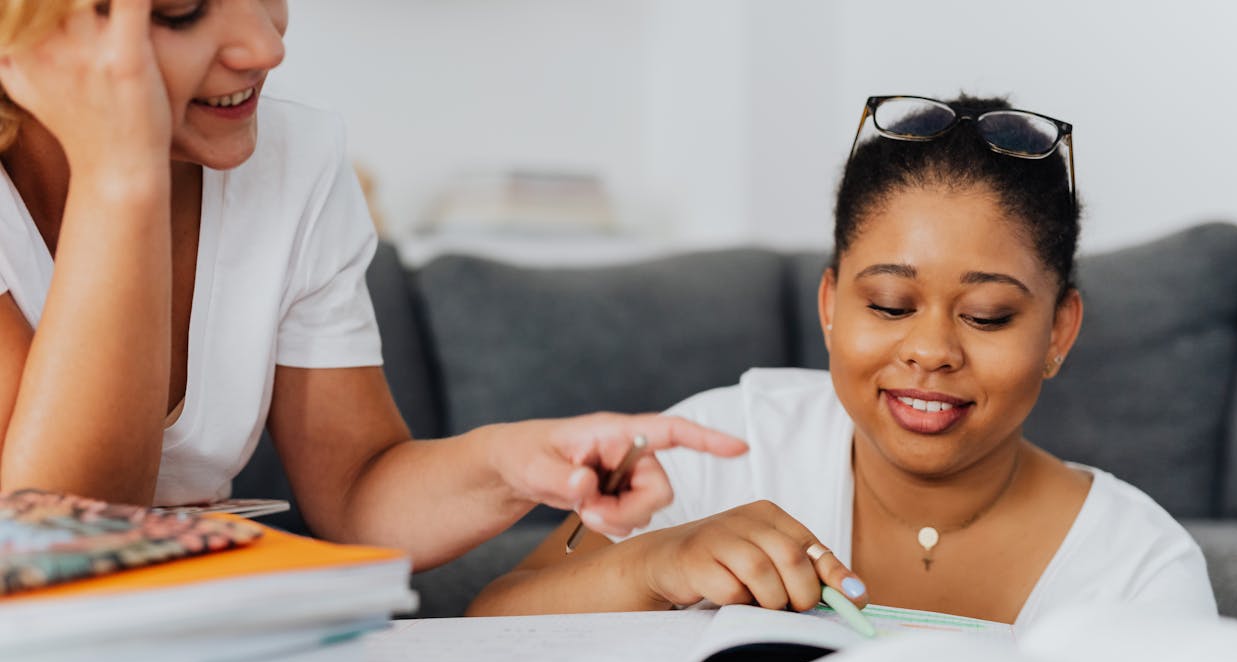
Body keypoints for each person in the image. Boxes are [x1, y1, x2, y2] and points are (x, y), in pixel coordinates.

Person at [0, 0, 747, 569]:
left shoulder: (295, 163)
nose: (267, 44)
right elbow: (47, 541)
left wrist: (517, 462)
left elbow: (358, 491)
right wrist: (120, 179)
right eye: (183, 11)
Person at [469, 94, 1218, 628]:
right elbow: (485, 623)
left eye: (988, 315)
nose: (930, 350)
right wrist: (649, 564)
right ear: (830, 306)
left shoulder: (1137, 567)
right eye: (890, 304)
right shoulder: (727, 445)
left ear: (1059, 331)